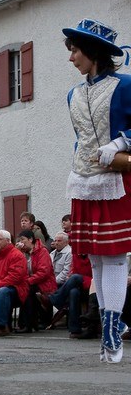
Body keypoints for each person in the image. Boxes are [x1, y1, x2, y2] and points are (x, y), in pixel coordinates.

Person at [62, 18, 131, 362]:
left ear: (93, 52)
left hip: (115, 180)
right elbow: (81, 137)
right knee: (97, 259)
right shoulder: (72, 94)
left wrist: (120, 141)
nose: (71, 57)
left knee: (115, 255)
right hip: (84, 179)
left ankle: (113, 325)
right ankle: (107, 326)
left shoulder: (125, 85)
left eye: (75, 50)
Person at [15, 230, 57, 333]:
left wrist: (27, 281)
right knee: (18, 289)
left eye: (23, 240)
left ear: (30, 239)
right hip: (31, 282)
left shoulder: (42, 251)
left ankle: (28, 324)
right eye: (19, 240)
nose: (21, 243)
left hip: (44, 284)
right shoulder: (23, 253)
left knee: (27, 290)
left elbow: (44, 272)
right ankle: (23, 323)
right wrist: (17, 252)